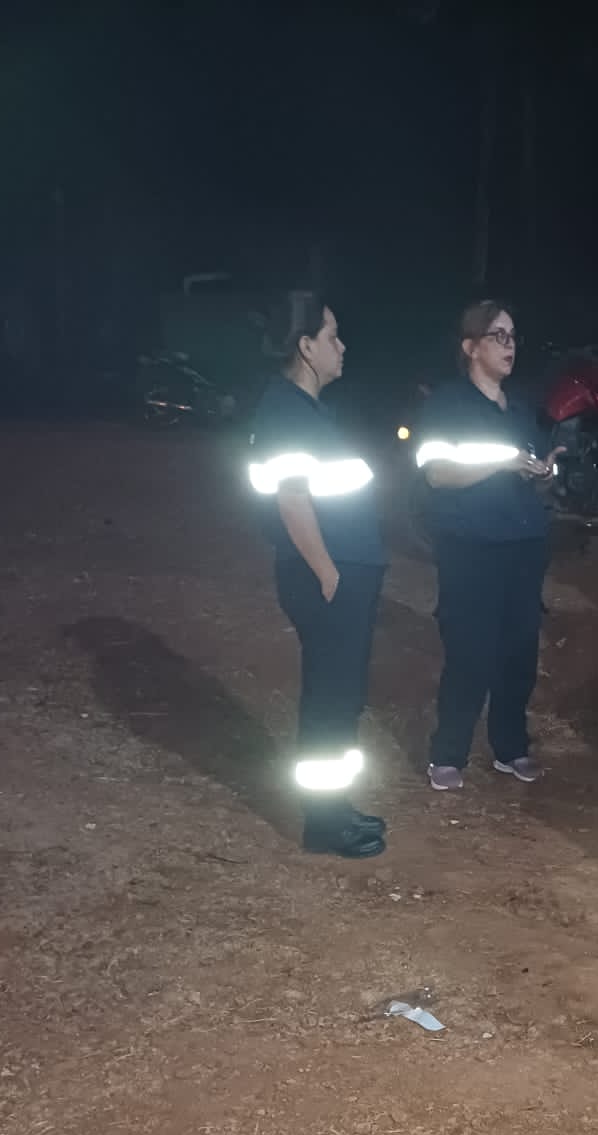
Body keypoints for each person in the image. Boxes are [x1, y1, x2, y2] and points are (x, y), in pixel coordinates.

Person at [248, 294, 388, 859]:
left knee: (341, 697)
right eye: (333, 336)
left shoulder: (305, 410)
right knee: (330, 701)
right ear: (305, 347)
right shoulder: (285, 411)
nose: (342, 346)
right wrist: (329, 574)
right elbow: (292, 498)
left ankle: (335, 809)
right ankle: (325, 824)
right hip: (326, 575)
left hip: (345, 569)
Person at [415, 300, 557, 792]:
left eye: (513, 336)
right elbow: (437, 472)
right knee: (470, 652)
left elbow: (528, 465)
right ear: (471, 347)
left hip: (523, 543)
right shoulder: (447, 405)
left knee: (519, 652)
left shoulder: (518, 408)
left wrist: (544, 471)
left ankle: (511, 747)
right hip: (470, 544)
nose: (509, 345)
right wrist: (501, 463)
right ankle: (448, 752)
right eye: (498, 336)